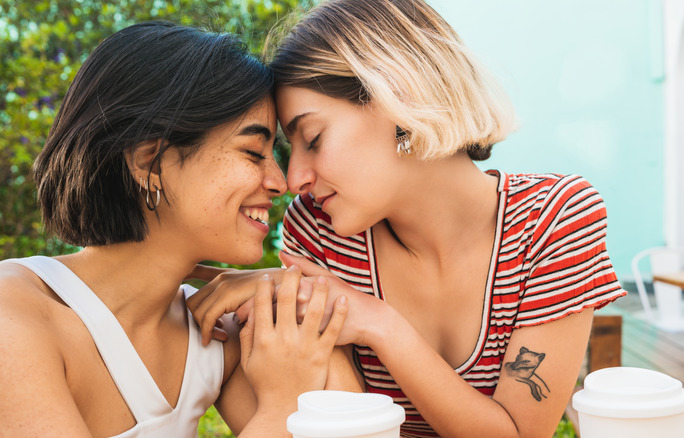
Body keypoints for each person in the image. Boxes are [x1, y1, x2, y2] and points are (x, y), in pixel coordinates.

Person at [190, 0, 627, 436]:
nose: (295, 179)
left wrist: (379, 324)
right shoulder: (322, 233)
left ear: (400, 98)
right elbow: (342, 424)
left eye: (314, 138)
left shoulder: (552, 219)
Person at [0, 21, 356, 437]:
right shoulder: (15, 318)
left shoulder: (215, 333)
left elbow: (358, 426)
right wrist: (279, 407)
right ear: (149, 162)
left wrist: (302, 296)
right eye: (253, 152)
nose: (281, 182)